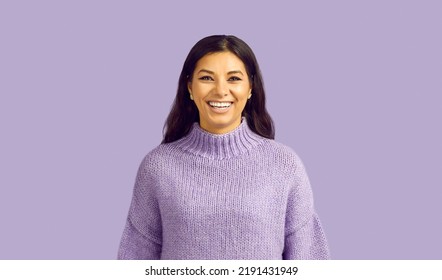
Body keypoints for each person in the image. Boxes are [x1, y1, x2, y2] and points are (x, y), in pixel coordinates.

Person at [117, 35, 329, 260]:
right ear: (190, 87)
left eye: (234, 78)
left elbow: (309, 261)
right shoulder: (158, 167)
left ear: (250, 88)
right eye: (207, 77)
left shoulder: (285, 165)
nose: (220, 90)